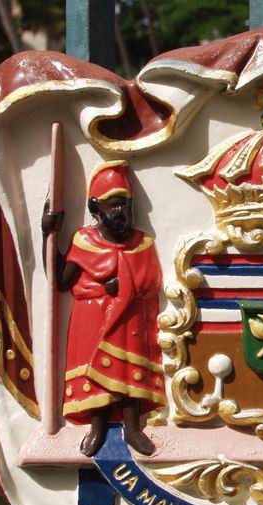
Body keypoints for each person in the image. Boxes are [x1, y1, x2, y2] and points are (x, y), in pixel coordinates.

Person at [42, 160, 164, 456]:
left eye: (125, 205)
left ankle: (133, 429)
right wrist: (48, 234)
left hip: (129, 321)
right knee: (95, 375)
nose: (121, 213)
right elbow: (61, 280)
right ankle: (97, 429)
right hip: (92, 320)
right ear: (96, 209)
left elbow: (151, 282)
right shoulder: (84, 242)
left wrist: (125, 286)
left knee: (126, 374)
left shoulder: (142, 243)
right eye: (113, 206)